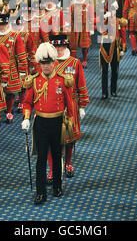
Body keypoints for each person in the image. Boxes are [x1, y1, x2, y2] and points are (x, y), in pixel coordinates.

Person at [21, 42, 74, 205]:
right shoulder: (34, 81)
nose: (46, 66)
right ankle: (41, 192)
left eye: (49, 63)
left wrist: (71, 121)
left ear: (54, 63)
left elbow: (69, 103)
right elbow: (27, 102)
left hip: (58, 122)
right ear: (40, 64)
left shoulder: (62, 80)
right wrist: (26, 118)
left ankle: (57, 186)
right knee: (41, 158)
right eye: (43, 63)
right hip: (41, 123)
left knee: (58, 156)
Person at [47, 34, 89, 181]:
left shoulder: (75, 63)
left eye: (62, 46)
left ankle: (68, 163)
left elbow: (81, 84)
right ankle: (52, 169)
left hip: (70, 105)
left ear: (66, 47)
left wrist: (82, 105)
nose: (59, 49)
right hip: (51, 105)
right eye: (56, 47)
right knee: (51, 139)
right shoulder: (47, 63)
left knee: (70, 137)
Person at [0, 13, 28, 123]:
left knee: (10, 92)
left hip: (11, 67)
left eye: (4, 24)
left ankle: (9, 111)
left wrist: (22, 70)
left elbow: (21, 54)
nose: (1, 26)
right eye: (0, 24)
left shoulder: (15, 36)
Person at [99, 13, 127, 100]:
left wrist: (122, 48)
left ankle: (113, 91)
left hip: (115, 47)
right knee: (104, 71)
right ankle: (104, 93)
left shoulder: (119, 21)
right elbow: (102, 31)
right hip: (105, 47)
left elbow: (123, 35)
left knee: (114, 71)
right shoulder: (104, 20)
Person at [68, 0, 95, 67]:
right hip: (75, 27)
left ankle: (85, 60)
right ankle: (72, 61)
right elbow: (68, 17)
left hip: (85, 27)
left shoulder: (88, 6)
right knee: (73, 45)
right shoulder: (72, 7)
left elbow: (91, 17)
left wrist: (91, 28)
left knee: (85, 45)